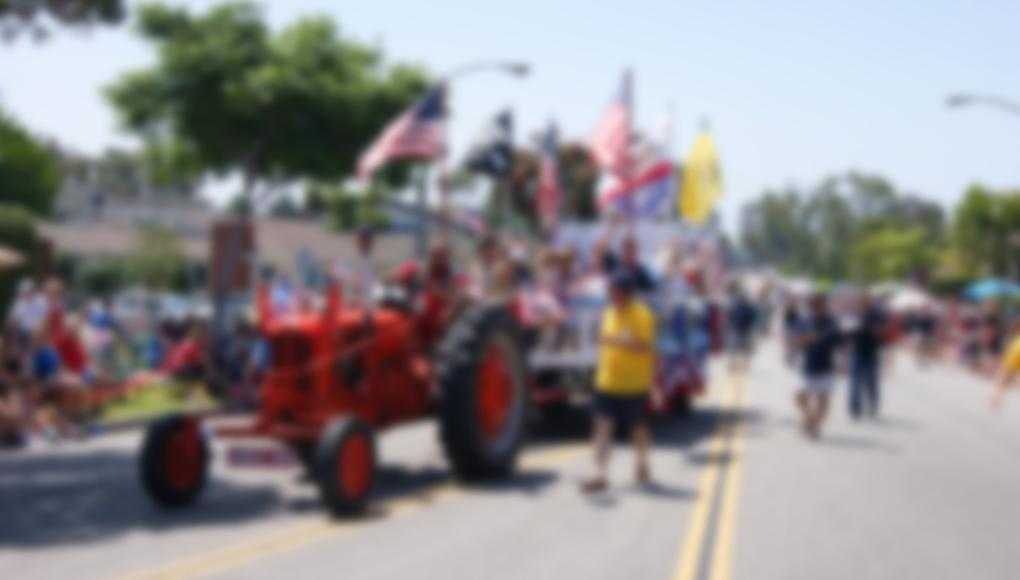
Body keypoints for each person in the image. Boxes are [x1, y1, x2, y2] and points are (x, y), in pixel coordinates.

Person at [582, 273, 658, 493]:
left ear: (627, 293)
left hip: (634, 384)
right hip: (607, 382)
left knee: (638, 428)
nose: (612, 296)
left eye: (616, 292)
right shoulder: (608, 313)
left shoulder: (642, 315)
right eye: (611, 292)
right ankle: (600, 474)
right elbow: (604, 342)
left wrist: (617, 341)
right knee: (602, 427)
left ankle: (642, 462)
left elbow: (645, 347)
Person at [796, 293, 842, 439]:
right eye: (812, 305)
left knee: (823, 400)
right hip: (808, 364)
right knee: (800, 396)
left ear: (823, 305)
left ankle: (814, 426)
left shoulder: (831, 322)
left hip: (826, 365)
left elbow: (838, 341)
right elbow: (798, 339)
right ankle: (810, 419)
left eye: (818, 305)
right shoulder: (806, 321)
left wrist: (844, 363)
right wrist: (804, 340)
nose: (815, 308)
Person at [849, 292, 886, 419]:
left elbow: (880, 332)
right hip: (857, 351)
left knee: (871, 382)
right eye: (862, 300)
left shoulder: (876, 315)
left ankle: (872, 405)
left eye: (866, 300)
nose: (863, 302)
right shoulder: (855, 314)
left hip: (871, 352)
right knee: (855, 382)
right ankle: (855, 408)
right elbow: (848, 332)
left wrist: (870, 328)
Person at [726, 284, 757, 372]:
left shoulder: (747, 307)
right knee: (737, 350)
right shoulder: (737, 306)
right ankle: (734, 365)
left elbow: (752, 319)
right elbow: (730, 317)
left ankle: (741, 366)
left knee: (742, 350)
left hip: (743, 331)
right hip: (739, 330)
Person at [990, 320, 1020, 410]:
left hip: (1015, 352)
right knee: (1007, 378)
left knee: (1003, 377)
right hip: (1015, 352)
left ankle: (996, 398)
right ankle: (996, 398)